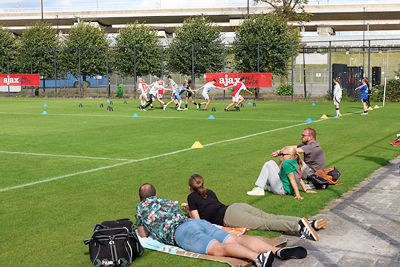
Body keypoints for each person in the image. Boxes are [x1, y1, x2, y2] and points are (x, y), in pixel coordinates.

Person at [136, 183, 308, 267]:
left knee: (218, 249)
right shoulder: (167, 202)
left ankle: (258, 258)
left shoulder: (140, 208)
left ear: (140, 198)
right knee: (234, 240)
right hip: (196, 223)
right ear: (156, 195)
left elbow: (143, 235)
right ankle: (277, 251)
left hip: (182, 232)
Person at [182, 174, 325, 241]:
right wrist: (191, 208)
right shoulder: (209, 191)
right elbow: (209, 206)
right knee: (270, 217)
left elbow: (197, 220)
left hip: (229, 216)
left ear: (190, 187)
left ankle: (299, 227)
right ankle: (307, 222)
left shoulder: (191, 197)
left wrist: (188, 210)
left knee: (266, 224)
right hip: (236, 207)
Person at [247, 146, 317, 199]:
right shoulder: (295, 161)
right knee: (271, 163)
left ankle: (260, 188)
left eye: (283, 155)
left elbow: (292, 180)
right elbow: (299, 177)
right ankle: (266, 186)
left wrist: (298, 195)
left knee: (268, 164)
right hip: (286, 189)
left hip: (281, 190)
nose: (281, 156)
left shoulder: (286, 163)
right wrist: (305, 190)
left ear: (290, 155)